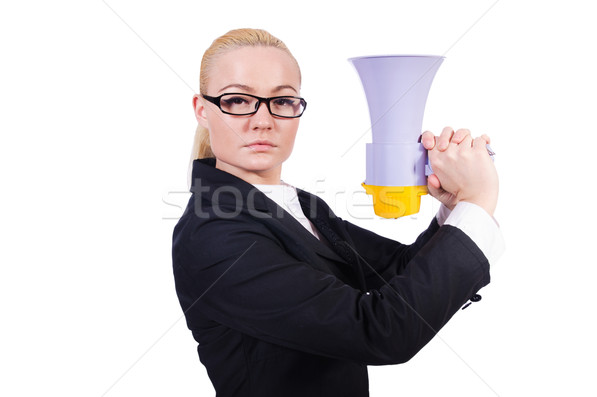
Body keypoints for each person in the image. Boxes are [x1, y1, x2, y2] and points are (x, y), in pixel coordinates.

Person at [172, 28, 504, 397]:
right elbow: (379, 331)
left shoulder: (303, 206)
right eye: (236, 100)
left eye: (281, 101)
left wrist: (457, 204)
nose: (262, 120)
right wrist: (478, 201)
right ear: (202, 110)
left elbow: (396, 273)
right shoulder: (213, 235)